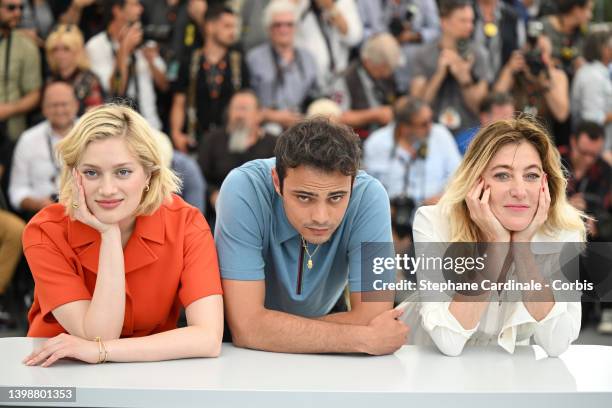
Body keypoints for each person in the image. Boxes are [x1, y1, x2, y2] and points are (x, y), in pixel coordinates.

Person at [22, 105, 223, 367]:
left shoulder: (186, 224)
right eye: (91, 172)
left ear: (149, 175)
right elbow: (99, 334)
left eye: (123, 172)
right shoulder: (45, 231)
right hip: (59, 372)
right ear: (74, 175)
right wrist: (109, 234)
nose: (107, 189)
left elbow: (208, 338)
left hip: (149, 374)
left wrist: (103, 351)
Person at [215, 118, 409, 354]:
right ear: (277, 181)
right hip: (243, 356)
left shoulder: (370, 196)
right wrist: (360, 337)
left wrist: (271, 331)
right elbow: (247, 328)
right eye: (304, 197)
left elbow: (374, 317)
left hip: (326, 340)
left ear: (353, 182)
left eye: (336, 197)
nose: (321, 217)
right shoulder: (243, 187)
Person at [398, 116, 586, 357]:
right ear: (476, 182)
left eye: (531, 175)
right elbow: (449, 342)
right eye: (502, 175)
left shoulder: (564, 231)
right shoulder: (434, 221)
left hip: (502, 373)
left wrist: (522, 249)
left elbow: (556, 343)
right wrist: (496, 245)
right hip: (424, 363)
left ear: (545, 184)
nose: (519, 191)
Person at [170, 4, 249, 152]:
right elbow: (179, 101)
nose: (233, 32)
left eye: (234, 27)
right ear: (210, 27)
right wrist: (176, 133)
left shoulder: (239, 62)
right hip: (195, 142)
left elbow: (246, 103)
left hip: (230, 144)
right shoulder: (190, 61)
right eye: (227, 26)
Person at [410, 0, 491, 136]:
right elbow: (416, 108)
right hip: (431, 132)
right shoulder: (424, 54)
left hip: (469, 132)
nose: (469, 26)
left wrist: (464, 78)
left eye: (471, 21)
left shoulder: (479, 54)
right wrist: (439, 74)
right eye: (463, 21)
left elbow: (480, 108)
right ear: (444, 22)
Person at [363, 97, 461, 208]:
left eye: (431, 120)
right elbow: (368, 189)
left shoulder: (441, 134)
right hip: (391, 216)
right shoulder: (376, 143)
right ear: (404, 127)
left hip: (436, 211)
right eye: (423, 124)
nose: (430, 127)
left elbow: (459, 176)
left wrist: (443, 198)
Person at [85, 0, 166, 130]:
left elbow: (165, 85)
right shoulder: (96, 46)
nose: (140, 10)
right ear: (117, 10)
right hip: (117, 128)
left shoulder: (145, 42)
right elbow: (115, 90)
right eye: (135, 4)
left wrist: (151, 62)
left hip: (150, 126)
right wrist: (124, 50)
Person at [198, 90, 276, 216]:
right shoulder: (212, 140)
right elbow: (199, 176)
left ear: (258, 115)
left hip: (262, 212)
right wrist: (212, 194)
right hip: (219, 211)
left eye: (244, 109)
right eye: (235, 109)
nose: (239, 115)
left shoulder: (273, 143)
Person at [8, 81, 79, 218]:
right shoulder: (28, 139)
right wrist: (37, 204)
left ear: (76, 106)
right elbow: (16, 189)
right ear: (44, 109)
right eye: (53, 105)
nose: (59, 110)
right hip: (43, 215)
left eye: (64, 104)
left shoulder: (92, 134)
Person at [246, 0, 317, 132]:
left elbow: (316, 95)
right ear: (268, 28)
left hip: (302, 125)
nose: (284, 29)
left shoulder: (308, 58)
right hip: (264, 127)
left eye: (289, 24)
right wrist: (271, 116)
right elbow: (245, 99)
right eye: (277, 25)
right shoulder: (254, 58)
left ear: (296, 27)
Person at [494, 32, 569, 134]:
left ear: (549, 56)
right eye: (532, 51)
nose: (536, 57)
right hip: (513, 136)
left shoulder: (556, 76)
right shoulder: (515, 74)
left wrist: (545, 85)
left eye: (541, 52)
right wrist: (509, 70)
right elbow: (494, 101)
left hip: (543, 138)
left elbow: (561, 114)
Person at [330, 32, 401, 135]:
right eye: (383, 67)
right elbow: (337, 118)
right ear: (368, 61)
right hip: (356, 139)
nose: (386, 73)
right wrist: (375, 114)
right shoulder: (344, 79)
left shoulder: (385, 75)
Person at [293, 0, 363, 94]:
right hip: (306, 79)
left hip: (337, 77)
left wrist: (331, 9)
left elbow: (354, 38)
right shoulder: (297, 3)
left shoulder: (343, 2)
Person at [0, 0, 42, 143]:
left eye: (21, 8)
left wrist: (7, 110)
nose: (17, 13)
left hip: (9, 134)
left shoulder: (26, 45)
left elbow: (34, 95)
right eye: (11, 8)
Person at [571, 30, 612, 162]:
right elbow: (592, 122)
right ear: (604, 49)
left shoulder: (601, 73)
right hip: (594, 155)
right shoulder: (592, 76)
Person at [45, 24, 104, 115]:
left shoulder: (90, 80)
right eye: (55, 50)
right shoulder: (51, 79)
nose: (60, 55)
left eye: (66, 49)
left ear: (77, 52)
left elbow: (96, 115)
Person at [540, 0, 593, 78]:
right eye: (588, 9)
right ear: (576, 10)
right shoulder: (544, 27)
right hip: (549, 81)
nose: (590, 16)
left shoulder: (584, 32)